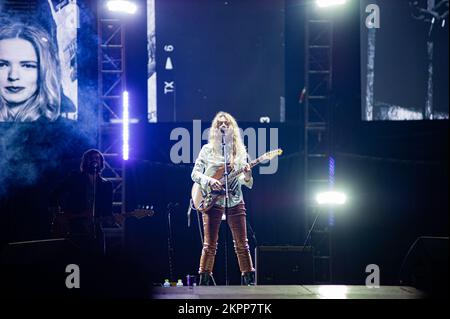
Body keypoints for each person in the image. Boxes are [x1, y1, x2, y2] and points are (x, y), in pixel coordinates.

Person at [191, 111, 256, 286]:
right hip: (212, 200)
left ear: (232, 128)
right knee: (210, 244)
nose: (223, 126)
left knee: (242, 243)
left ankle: (249, 279)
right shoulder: (207, 150)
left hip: (235, 199)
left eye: (226, 123)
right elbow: (195, 174)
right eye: (219, 123)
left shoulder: (240, 151)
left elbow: (246, 182)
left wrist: (248, 175)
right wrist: (210, 180)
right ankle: (204, 278)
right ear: (215, 128)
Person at [50, 149, 114, 252]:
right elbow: (54, 195)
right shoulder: (75, 178)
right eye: (91, 158)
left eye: (97, 158)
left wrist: (113, 219)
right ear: (85, 162)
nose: (94, 160)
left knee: (98, 261)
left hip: (94, 229)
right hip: (74, 227)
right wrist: (59, 216)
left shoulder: (107, 185)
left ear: (101, 162)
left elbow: (107, 211)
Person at [0, 21, 61, 122]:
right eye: (2, 65)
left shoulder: (67, 132)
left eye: (27, 66)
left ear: (44, 71)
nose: (13, 76)